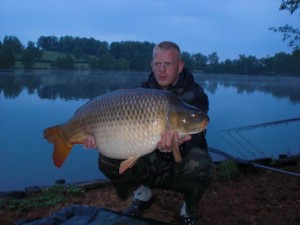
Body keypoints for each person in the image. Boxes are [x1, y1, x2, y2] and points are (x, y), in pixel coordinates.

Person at [85, 41, 213, 225]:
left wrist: (175, 147)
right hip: (149, 163)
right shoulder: (141, 92)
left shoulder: (196, 95)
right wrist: (100, 137)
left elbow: (197, 138)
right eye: (157, 64)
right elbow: (121, 127)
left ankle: (189, 207)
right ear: (151, 65)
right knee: (106, 158)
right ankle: (142, 194)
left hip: (180, 167)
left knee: (200, 163)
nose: (161, 70)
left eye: (167, 64)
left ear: (180, 66)